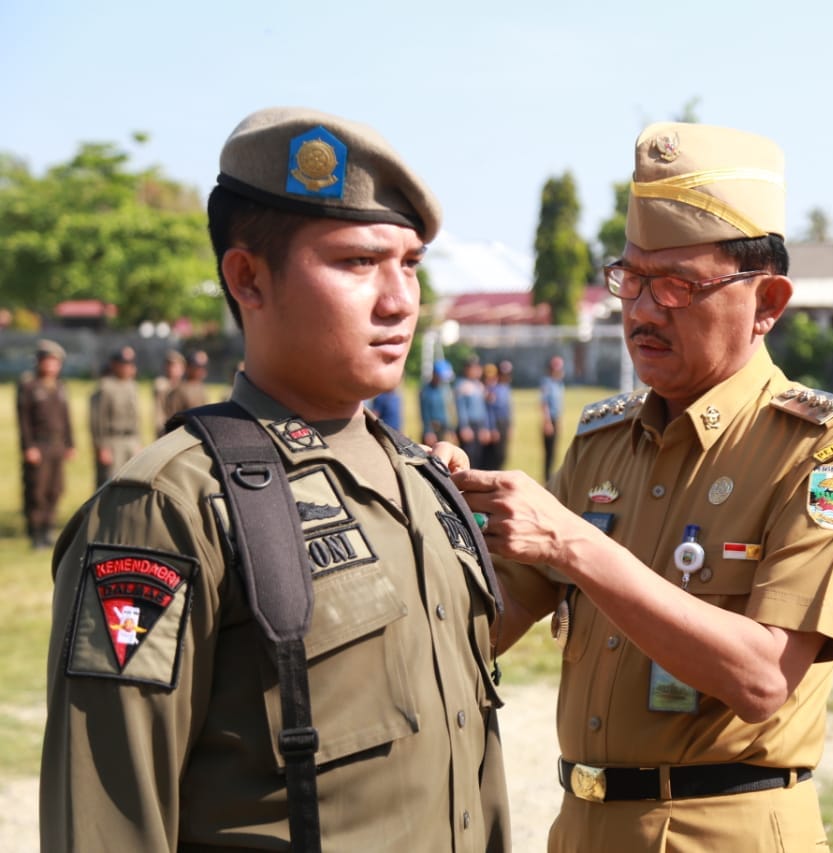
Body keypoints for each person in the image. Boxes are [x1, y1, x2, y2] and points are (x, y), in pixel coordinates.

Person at [41, 106, 509, 851]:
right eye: (358, 262)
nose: (399, 300)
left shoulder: (423, 482)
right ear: (248, 278)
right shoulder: (167, 508)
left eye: (410, 264)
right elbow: (106, 820)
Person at [453, 121, 833, 851]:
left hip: (722, 831)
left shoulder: (823, 451)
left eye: (680, 284)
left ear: (768, 301)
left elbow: (761, 678)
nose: (643, 310)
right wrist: (426, 516)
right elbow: (490, 619)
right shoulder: (601, 443)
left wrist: (573, 543)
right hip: (581, 823)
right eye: (632, 278)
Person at [17, 339, 75, 549]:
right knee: (37, 490)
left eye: (55, 362)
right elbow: (23, 421)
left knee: (55, 489)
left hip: (57, 445)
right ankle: (36, 532)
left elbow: (66, 418)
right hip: (39, 445)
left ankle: (49, 528)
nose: (52, 366)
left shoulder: (60, 387)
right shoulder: (29, 386)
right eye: (48, 361)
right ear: (39, 362)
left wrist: (70, 443)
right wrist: (28, 447)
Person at [88, 345, 142, 487]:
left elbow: (136, 418)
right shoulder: (105, 387)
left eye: (130, 364)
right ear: (114, 365)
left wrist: (137, 442)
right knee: (109, 482)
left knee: (130, 481)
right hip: (112, 441)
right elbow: (97, 419)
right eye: (123, 364)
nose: (127, 368)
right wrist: (101, 446)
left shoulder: (132, 386)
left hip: (130, 440)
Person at [454, 355, 489, 467]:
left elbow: (483, 408)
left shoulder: (479, 385)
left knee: (478, 457)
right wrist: (464, 427)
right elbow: (461, 408)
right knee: (469, 456)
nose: (476, 371)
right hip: (469, 425)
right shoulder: (462, 385)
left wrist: (485, 427)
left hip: (479, 424)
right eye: (473, 368)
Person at [539, 354, 566, 483]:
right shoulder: (547, 383)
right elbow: (544, 404)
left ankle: (552, 477)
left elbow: (559, 406)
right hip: (549, 420)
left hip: (556, 419)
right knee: (548, 452)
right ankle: (547, 478)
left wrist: (559, 422)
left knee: (554, 451)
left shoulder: (559, 384)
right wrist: (547, 422)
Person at [482, 360, 513, 470]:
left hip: (504, 423)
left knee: (503, 454)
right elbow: (490, 411)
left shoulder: (506, 388)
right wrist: (492, 428)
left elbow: (509, 409)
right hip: (496, 424)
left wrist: (510, 426)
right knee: (496, 455)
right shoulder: (492, 389)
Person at [421, 357, 456, 446]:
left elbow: (449, 410)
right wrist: (428, 432)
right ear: (434, 374)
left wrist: (452, 430)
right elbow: (425, 413)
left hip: (445, 429)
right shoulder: (426, 391)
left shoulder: (445, 389)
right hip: (433, 429)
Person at [153, 349, 186, 438]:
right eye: (169, 365)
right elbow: (159, 412)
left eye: (175, 366)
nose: (172, 369)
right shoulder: (161, 385)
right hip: (166, 430)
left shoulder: (185, 385)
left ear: (182, 368)